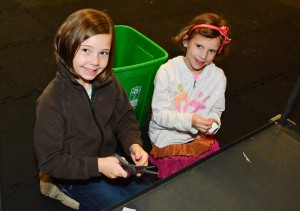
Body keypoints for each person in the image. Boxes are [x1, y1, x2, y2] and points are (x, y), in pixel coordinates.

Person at [34, 9, 150, 210]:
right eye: (86, 50)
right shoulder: (51, 100)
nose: (95, 62)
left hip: (108, 160)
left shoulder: (108, 80)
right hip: (74, 176)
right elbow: (50, 161)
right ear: (66, 46)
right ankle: (55, 188)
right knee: (126, 208)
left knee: (152, 197)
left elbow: (124, 117)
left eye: (103, 53)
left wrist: (133, 144)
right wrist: (98, 166)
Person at [148, 13, 232, 178]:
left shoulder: (218, 77)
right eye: (199, 46)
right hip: (167, 139)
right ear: (186, 41)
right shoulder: (167, 72)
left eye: (211, 51)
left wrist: (214, 122)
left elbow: (216, 108)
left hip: (198, 138)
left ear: (218, 52)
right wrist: (190, 121)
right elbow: (159, 115)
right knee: (178, 180)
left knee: (212, 175)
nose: (203, 56)